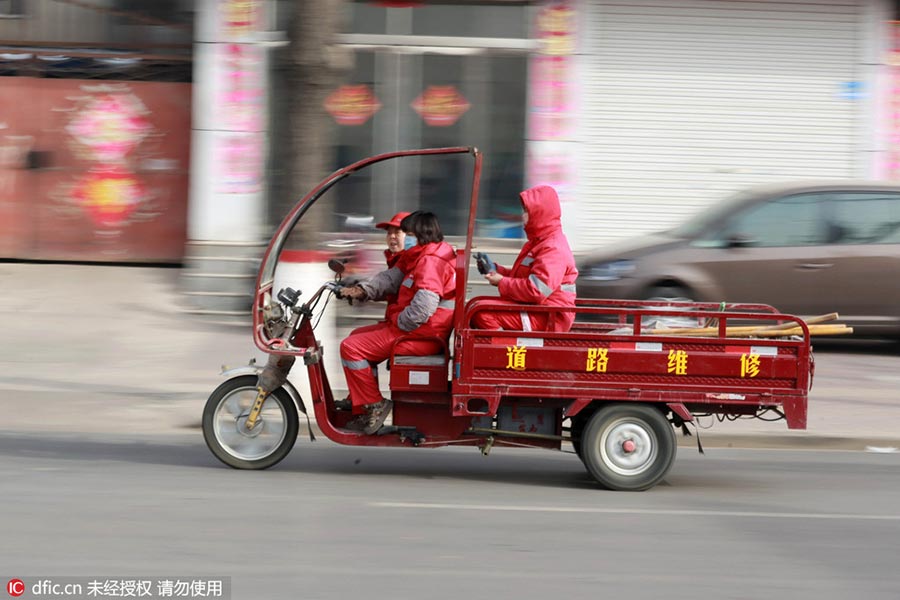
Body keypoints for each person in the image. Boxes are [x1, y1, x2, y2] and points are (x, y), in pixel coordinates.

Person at [339, 212, 456, 434]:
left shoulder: (431, 261)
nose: (402, 238)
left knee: (351, 347)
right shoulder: (418, 255)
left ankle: (375, 405)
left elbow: (423, 307)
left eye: (407, 233)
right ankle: (363, 401)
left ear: (421, 234)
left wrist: (397, 321)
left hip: (422, 333)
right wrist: (362, 290)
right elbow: (390, 278)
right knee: (356, 336)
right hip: (419, 329)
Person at [472, 185, 578, 332]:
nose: (522, 216)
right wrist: (495, 269)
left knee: (483, 315)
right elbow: (522, 279)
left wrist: (501, 281)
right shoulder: (537, 243)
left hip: (549, 317)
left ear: (540, 213)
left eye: (527, 211)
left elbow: (536, 291)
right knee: (477, 307)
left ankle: (503, 347)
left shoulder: (553, 248)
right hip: (540, 310)